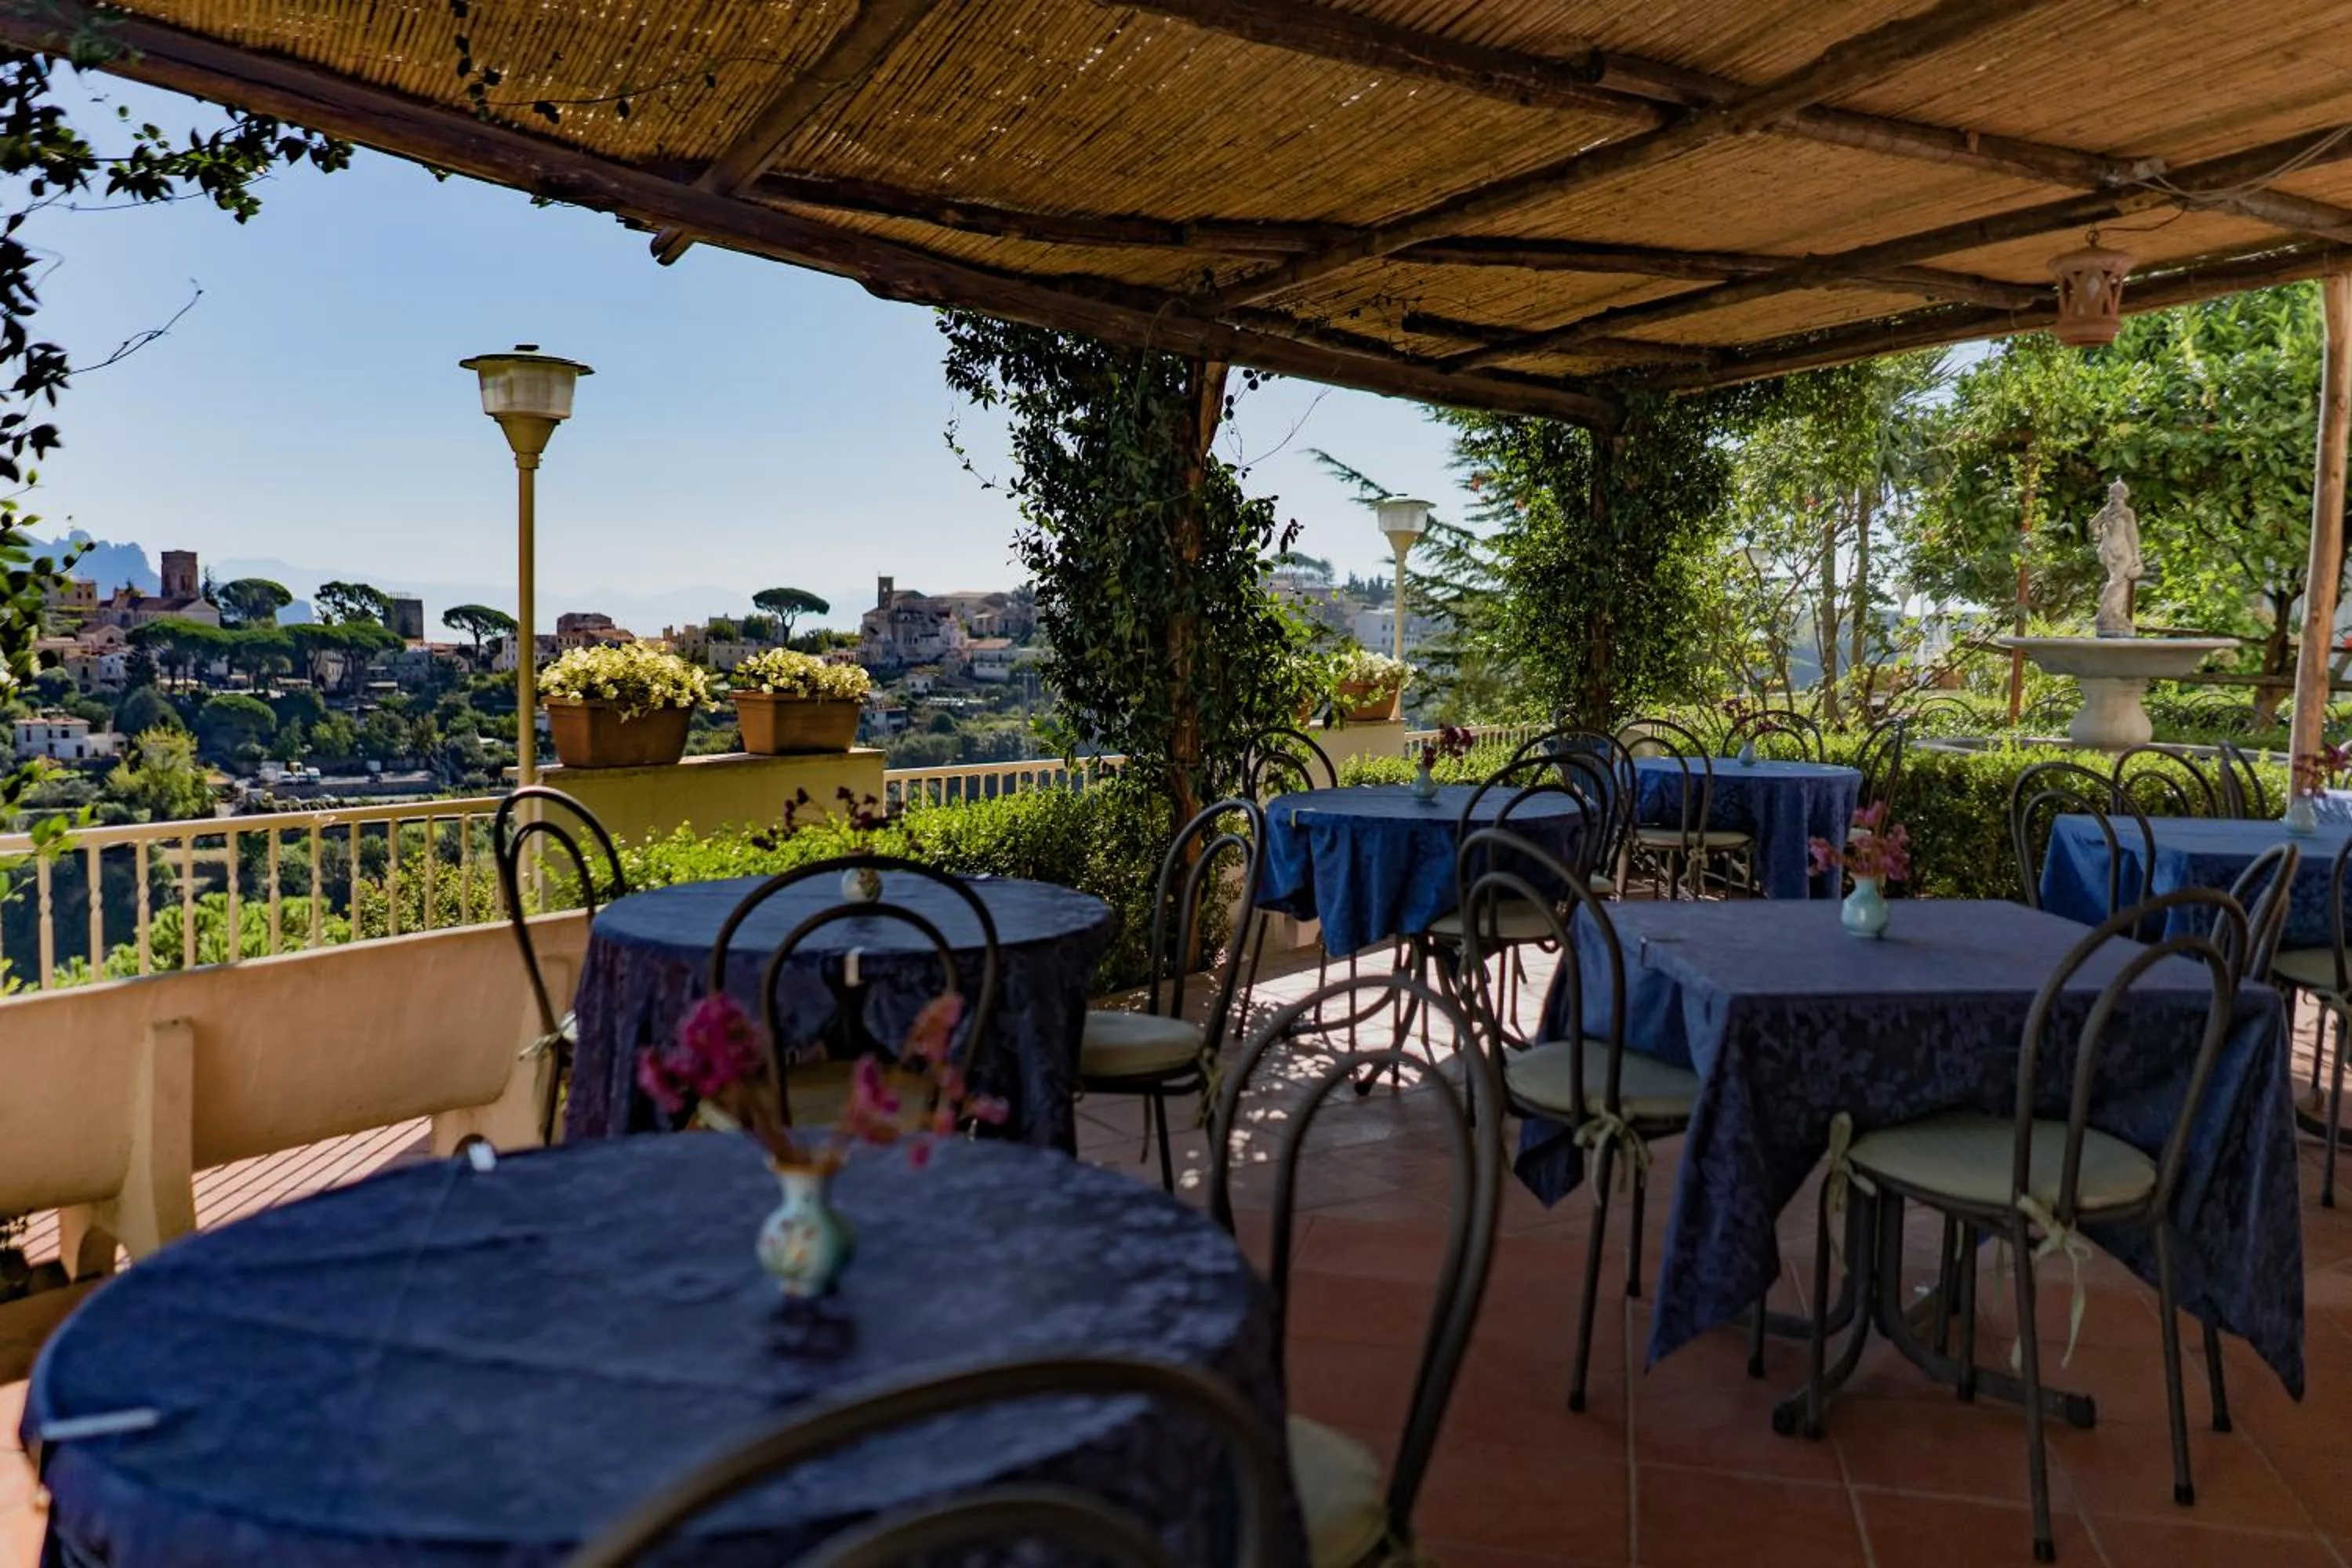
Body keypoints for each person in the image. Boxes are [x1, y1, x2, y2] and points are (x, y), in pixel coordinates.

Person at [2090, 478, 2142, 637]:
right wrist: (2136, 555)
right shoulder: (2127, 513)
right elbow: (2132, 535)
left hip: (2108, 549)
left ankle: (2111, 614)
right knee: (2119, 582)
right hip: (2122, 549)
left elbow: (2092, 525)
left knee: (2117, 580)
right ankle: (2105, 615)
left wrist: (2099, 535)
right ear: (2124, 495)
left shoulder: (2106, 511)